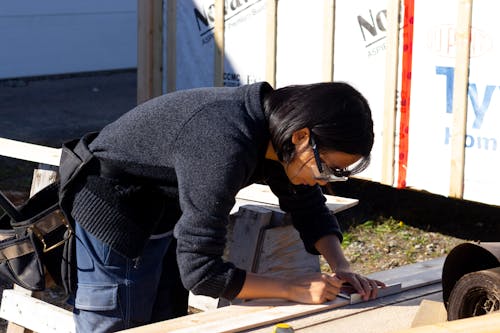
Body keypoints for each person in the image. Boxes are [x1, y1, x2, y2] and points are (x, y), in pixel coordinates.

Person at [58, 81, 385, 332]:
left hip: (162, 206)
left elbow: (308, 206)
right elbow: (201, 272)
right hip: (113, 207)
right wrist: (292, 288)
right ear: (301, 137)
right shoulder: (223, 142)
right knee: (119, 319)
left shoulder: (275, 130)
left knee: (166, 321)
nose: (324, 180)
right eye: (325, 168)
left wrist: (341, 268)